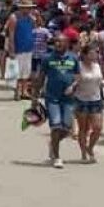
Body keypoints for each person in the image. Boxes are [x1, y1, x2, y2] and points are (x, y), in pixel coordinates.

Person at [34, 34, 80, 169]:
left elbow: (78, 77)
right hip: (52, 98)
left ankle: (53, 144)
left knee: (67, 128)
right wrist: (34, 97)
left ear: (67, 43)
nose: (58, 44)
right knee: (56, 126)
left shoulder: (73, 58)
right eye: (56, 41)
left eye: (61, 41)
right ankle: (57, 156)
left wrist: (73, 86)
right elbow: (40, 78)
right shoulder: (47, 58)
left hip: (68, 99)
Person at [69, 44, 104, 163]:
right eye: (93, 53)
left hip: (96, 99)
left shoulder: (97, 66)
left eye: (96, 53)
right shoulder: (78, 66)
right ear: (84, 54)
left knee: (98, 128)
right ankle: (83, 153)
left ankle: (90, 148)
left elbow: (100, 81)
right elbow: (74, 81)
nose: (95, 55)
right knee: (83, 128)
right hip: (81, 100)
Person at [7, 0, 36, 100]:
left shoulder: (31, 18)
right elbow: (11, 34)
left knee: (26, 71)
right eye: (26, 8)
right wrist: (11, 49)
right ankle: (17, 91)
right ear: (21, 8)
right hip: (18, 48)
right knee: (17, 72)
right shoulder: (14, 17)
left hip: (28, 48)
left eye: (29, 8)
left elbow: (34, 28)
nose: (28, 10)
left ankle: (24, 91)